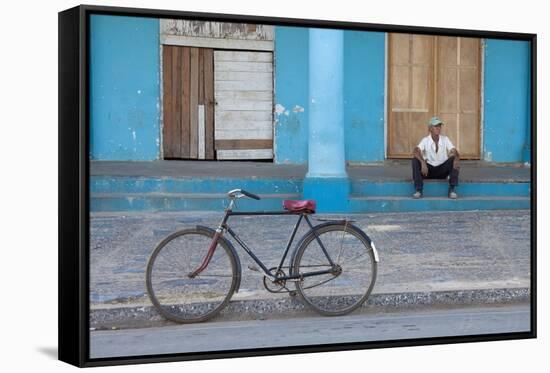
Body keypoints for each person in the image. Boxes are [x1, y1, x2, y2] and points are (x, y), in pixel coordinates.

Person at [412, 116, 460, 199]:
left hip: (442, 171)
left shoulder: (445, 139)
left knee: (454, 159)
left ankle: (452, 189)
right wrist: (423, 162)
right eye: (435, 126)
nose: (438, 128)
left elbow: (454, 150)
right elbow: (415, 151)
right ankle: (418, 190)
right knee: (415, 160)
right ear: (430, 128)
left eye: (439, 126)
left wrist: (456, 158)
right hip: (428, 171)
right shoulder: (425, 140)